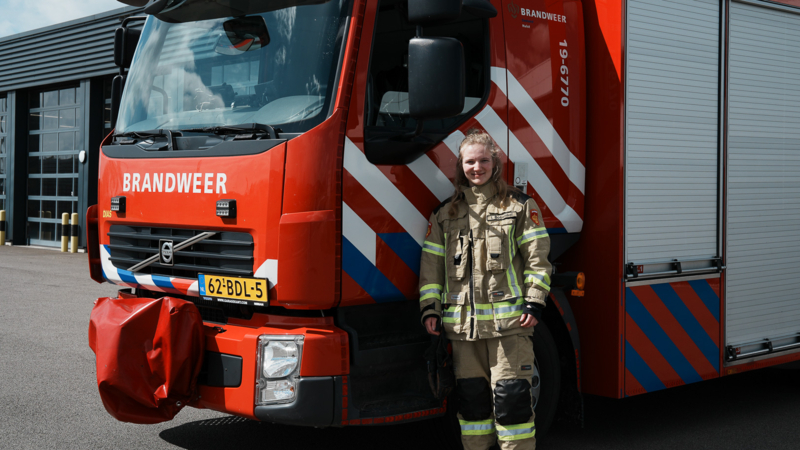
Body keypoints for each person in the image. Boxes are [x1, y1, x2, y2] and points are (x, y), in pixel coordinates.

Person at [419, 130, 552, 450]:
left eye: (483, 160)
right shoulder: (444, 214)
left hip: (509, 330)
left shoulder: (519, 207)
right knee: (472, 409)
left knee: (513, 409)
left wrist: (534, 302)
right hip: (464, 333)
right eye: (470, 162)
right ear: (460, 167)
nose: (476, 167)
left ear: (495, 163)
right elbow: (432, 267)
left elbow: (538, 259)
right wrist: (431, 309)